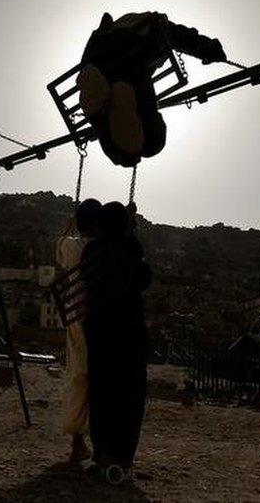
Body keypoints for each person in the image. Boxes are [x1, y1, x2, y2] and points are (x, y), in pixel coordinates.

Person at [76, 12, 226, 168]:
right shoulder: (158, 25)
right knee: (152, 143)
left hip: (97, 58)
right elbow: (186, 37)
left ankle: (104, 117)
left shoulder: (115, 28)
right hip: (131, 61)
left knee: (137, 140)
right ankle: (106, 121)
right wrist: (212, 50)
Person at [81, 201, 152, 484]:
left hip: (98, 334)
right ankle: (121, 457)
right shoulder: (131, 253)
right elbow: (143, 278)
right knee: (129, 397)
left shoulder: (91, 251)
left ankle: (101, 453)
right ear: (124, 227)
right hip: (127, 336)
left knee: (101, 393)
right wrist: (130, 235)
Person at [56, 198, 102, 464]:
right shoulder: (98, 248)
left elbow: (61, 248)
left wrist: (68, 227)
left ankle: (77, 442)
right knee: (97, 379)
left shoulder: (69, 245)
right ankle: (96, 443)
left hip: (74, 319)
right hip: (95, 319)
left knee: (78, 375)